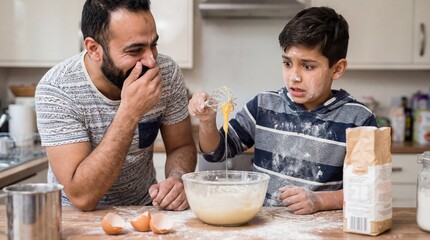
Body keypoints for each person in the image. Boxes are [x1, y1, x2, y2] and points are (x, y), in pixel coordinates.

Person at [188, 6, 377, 215]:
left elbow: (369, 189)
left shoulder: (358, 119)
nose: (294, 76)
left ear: (337, 68)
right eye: (287, 63)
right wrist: (207, 121)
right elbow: (217, 152)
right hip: (266, 226)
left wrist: (320, 201)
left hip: (324, 231)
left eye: (307, 66)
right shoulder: (264, 106)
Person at [35, 0, 197, 211]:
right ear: (94, 49)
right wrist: (130, 112)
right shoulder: (56, 90)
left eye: (153, 45)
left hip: (143, 209)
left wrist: (177, 178)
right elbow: (82, 197)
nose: (150, 61)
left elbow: (181, 146)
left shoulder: (166, 73)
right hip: (75, 217)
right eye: (135, 50)